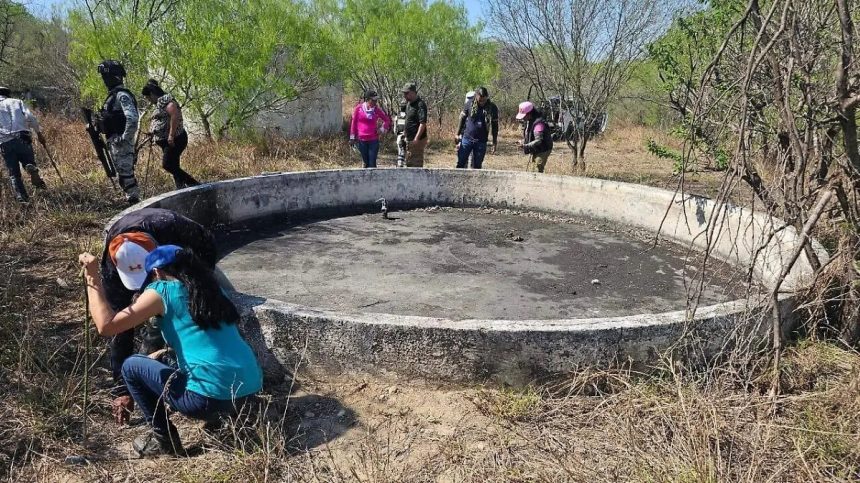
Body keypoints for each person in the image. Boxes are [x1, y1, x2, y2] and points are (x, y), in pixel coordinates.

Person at [78, 245, 263, 457]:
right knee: (164, 360)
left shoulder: (162, 291)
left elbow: (106, 326)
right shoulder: (211, 290)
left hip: (207, 400)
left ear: (157, 272)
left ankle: (165, 441)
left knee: (131, 366)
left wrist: (92, 276)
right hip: (249, 390)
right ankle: (228, 417)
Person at [100, 208, 218, 426]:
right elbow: (118, 327)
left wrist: (197, 288)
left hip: (183, 256)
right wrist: (122, 388)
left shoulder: (173, 227)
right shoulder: (111, 267)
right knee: (150, 320)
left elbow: (208, 248)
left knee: (175, 318)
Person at [141, 79, 199, 189]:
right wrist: (153, 131)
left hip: (175, 139)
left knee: (167, 165)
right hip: (166, 140)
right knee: (174, 165)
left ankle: (193, 183)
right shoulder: (160, 104)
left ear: (152, 94)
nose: (149, 101)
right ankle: (181, 187)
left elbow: (174, 115)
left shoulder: (167, 101)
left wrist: (171, 135)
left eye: (148, 98)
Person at [97, 60, 141, 204]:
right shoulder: (112, 96)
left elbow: (132, 118)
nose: (104, 80)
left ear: (114, 76)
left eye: (106, 77)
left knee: (127, 176)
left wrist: (125, 138)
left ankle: (135, 205)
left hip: (121, 143)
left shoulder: (122, 95)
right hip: (115, 141)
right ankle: (132, 202)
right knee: (123, 176)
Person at [0, 86, 47, 202]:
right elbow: (30, 117)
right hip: (22, 136)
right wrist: (39, 133)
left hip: (5, 141)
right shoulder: (17, 102)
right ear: (8, 93)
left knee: (14, 173)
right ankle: (30, 166)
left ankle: (22, 199)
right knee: (28, 160)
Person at [455, 86, 499, 170]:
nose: (482, 102)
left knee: (477, 166)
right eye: (480, 100)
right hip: (467, 139)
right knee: (461, 163)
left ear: (487, 97)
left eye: (484, 100)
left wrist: (494, 141)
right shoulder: (469, 104)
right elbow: (462, 119)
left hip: (481, 141)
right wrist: (457, 134)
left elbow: (495, 126)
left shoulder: (492, 107)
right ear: (476, 96)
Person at [349, 90, 391, 168]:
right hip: (362, 140)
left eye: (376, 100)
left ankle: (373, 175)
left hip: (373, 140)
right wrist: (352, 137)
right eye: (373, 100)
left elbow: (387, 120)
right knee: (366, 163)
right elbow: (353, 123)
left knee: (372, 163)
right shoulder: (358, 108)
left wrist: (382, 129)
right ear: (367, 99)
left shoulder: (376, 109)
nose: (375, 102)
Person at [516, 101, 554, 173]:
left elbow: (538, 140)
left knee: (537, 168)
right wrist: (523, 141)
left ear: (529, 113)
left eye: (524, 116)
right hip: (537, 148)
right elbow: (530, 136)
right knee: (533, 169)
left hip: (543, 149)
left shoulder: (538, 124)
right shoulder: (530, 121)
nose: (523, 118)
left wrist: (526, 145)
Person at [399, 82, 428, 167]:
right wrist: (404, 133)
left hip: (417, 140)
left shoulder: (420, 105)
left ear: (413, 92)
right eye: (404, 93)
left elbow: (422, 123)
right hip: (409, 139)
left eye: (406, 93)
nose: (405, 95)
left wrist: (416, 139)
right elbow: (408, 119)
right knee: (409, 162)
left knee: (415, 164)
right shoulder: (408, 104)